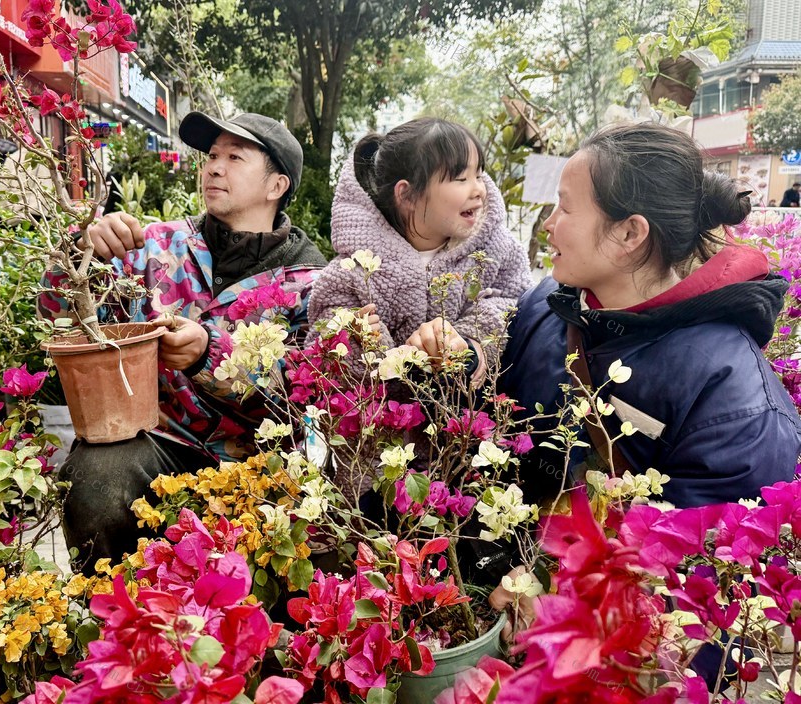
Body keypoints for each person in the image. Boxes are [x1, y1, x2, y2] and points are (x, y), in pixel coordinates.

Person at [38, 112, 327, 573]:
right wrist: (81, 253)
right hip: (159, 441)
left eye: (235, 157)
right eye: (211, 155)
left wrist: (207, 356)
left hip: (259, 462)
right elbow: (60, 316)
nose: (213, 166)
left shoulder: (315, 286)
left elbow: (305, 394)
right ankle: (110, 614)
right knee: (95, 477)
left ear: (276, 186)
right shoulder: (154, 245)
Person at [499, 122, 801, 510]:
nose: (549, 224)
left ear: (629, 234)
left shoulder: (734, 401)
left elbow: (701, 557)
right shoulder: (544, 306)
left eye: (567, 207)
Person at [308, 117, 530, 377]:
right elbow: (320, 355)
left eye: (479, 175)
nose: (479, 190)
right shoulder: (351, 274)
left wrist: (467, 344)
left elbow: (514, 300)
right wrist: (360, 343)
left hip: (469, 412)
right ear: (407, 195)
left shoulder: (497, 250)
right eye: (461, 178)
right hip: (382, 415)